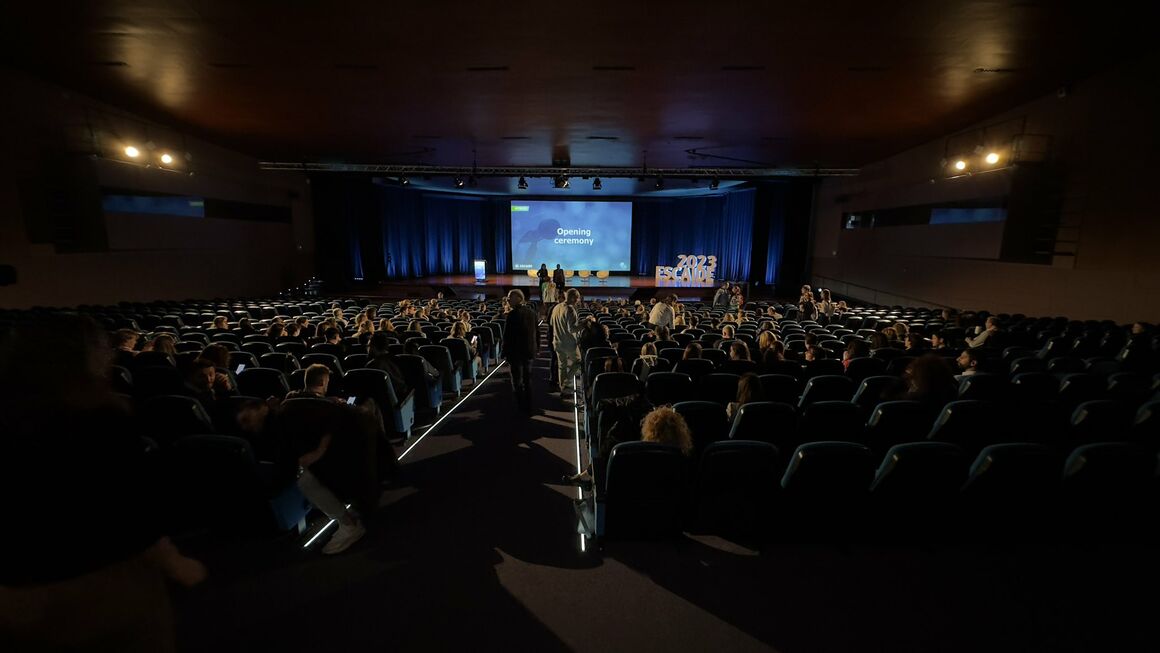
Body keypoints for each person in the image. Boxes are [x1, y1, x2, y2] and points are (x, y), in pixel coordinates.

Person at [504, 289, 539, 414]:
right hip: (529, 353)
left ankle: (521, 407)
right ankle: (528, 407)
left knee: (517, 382)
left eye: (510, 298)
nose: (507, 300)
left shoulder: (512, 315)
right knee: (527, 381)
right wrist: (537, 349)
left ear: (518, 298)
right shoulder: (533, 313)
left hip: (515, 354)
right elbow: (537, 334)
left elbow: (507, 337)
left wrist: (505, 353)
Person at [550, 288, 583, 396]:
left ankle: (562, 389)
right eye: (577, 298)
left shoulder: (556, 307)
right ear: (574, 297)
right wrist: (584, 323)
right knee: (578, 361)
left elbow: (551, 323)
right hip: (568, 343)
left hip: (557, 341)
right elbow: (572, 329)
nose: (578, 301)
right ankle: (565, 383)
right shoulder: (570, 309)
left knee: (562, 366)